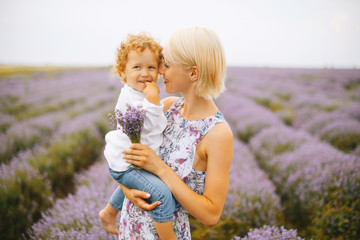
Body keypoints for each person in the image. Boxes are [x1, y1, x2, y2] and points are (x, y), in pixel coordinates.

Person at [116, 27, 234, 239]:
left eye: (167, 64)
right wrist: (127, 189)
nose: (159, 71)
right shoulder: (167, 107)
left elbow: (211, 214)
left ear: (193, 73)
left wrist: (160, 168)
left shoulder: (218, 133)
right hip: (130, 229)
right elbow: (128, 153)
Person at [98, 33, 177, 240]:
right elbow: (151, 126)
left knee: (143, 181)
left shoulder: (139, 94)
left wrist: (154, 102)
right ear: (122, 72)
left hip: (133, 161)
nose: (145, 73)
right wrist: (153, 100)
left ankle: (109, 211)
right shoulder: (130, 100)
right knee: (162, 195)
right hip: (127, 164)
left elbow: (158, 124)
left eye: (151, 67)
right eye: (137, 67)